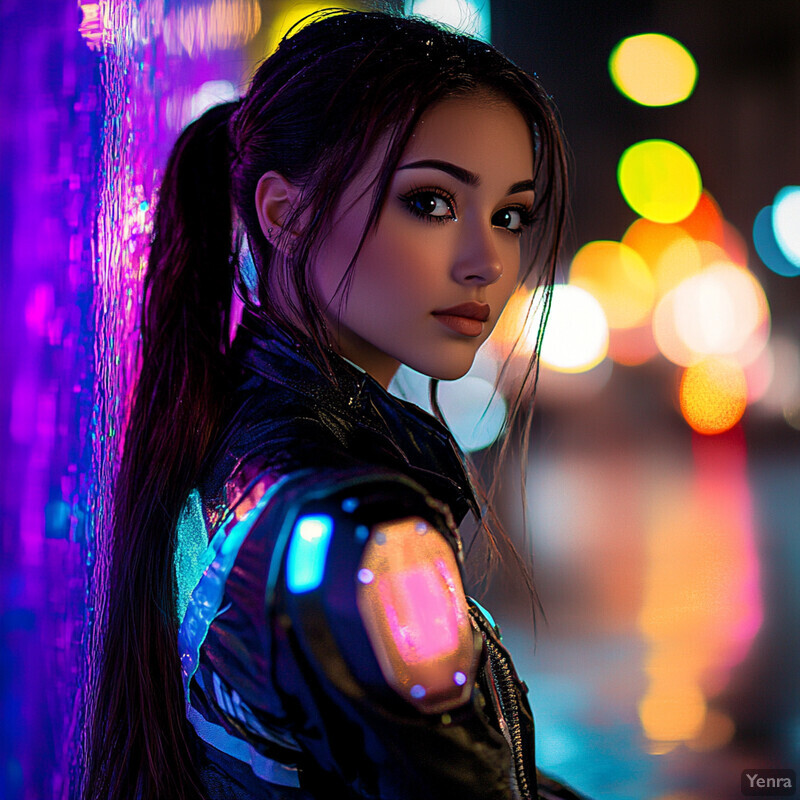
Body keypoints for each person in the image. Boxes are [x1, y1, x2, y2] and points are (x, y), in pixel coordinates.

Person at [83, 9, 585, 800]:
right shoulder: (368, 534)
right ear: (285, 213)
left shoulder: (224, 442)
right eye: (431, 203)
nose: (487, 261)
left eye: (509, 215)